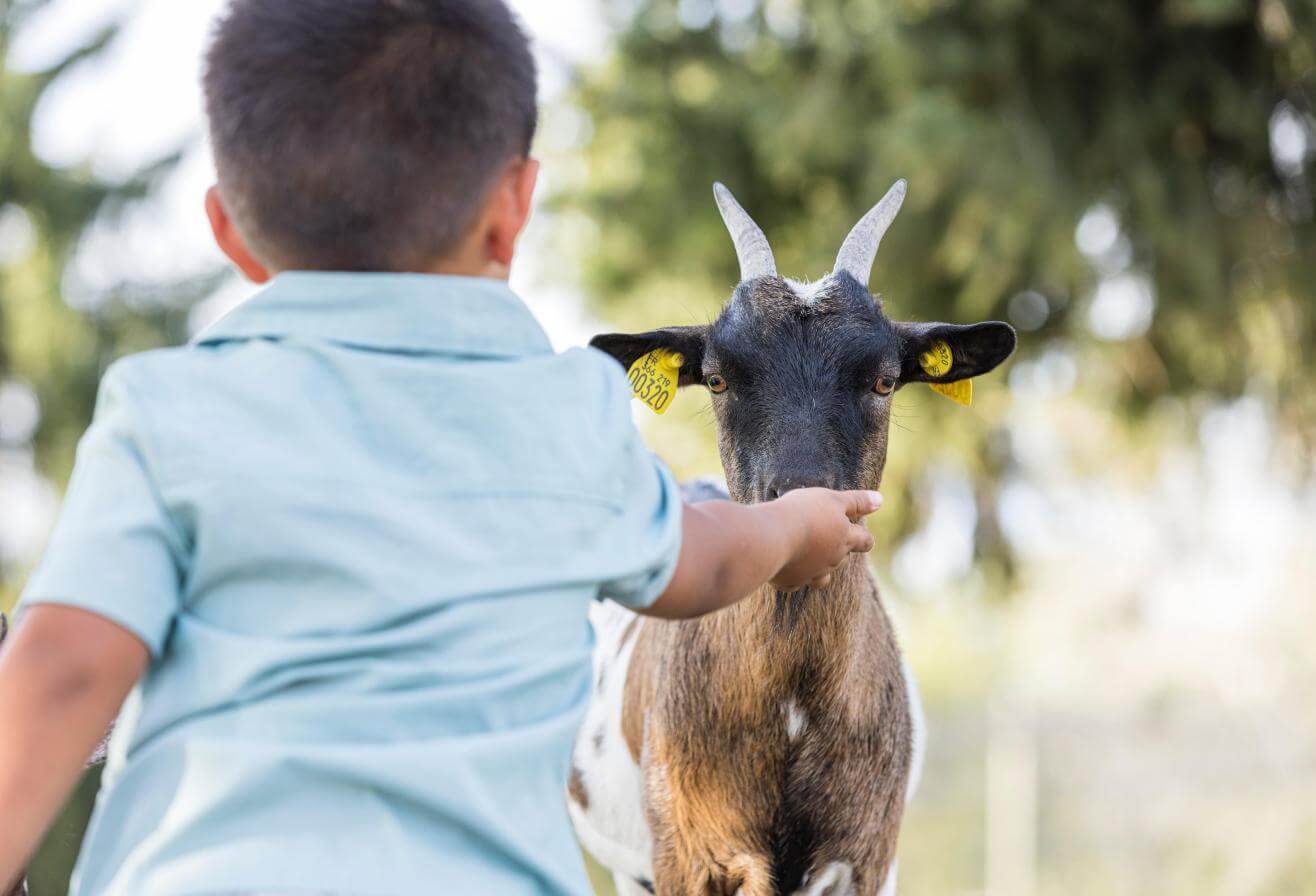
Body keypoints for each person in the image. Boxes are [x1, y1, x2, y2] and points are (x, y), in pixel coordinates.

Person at [0, 2, 882, 893]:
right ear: (513, 210)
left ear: (228, 230)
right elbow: (700, 564)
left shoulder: (164, 412)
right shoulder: (562, 409)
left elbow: (61, 670)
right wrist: (791, 528)